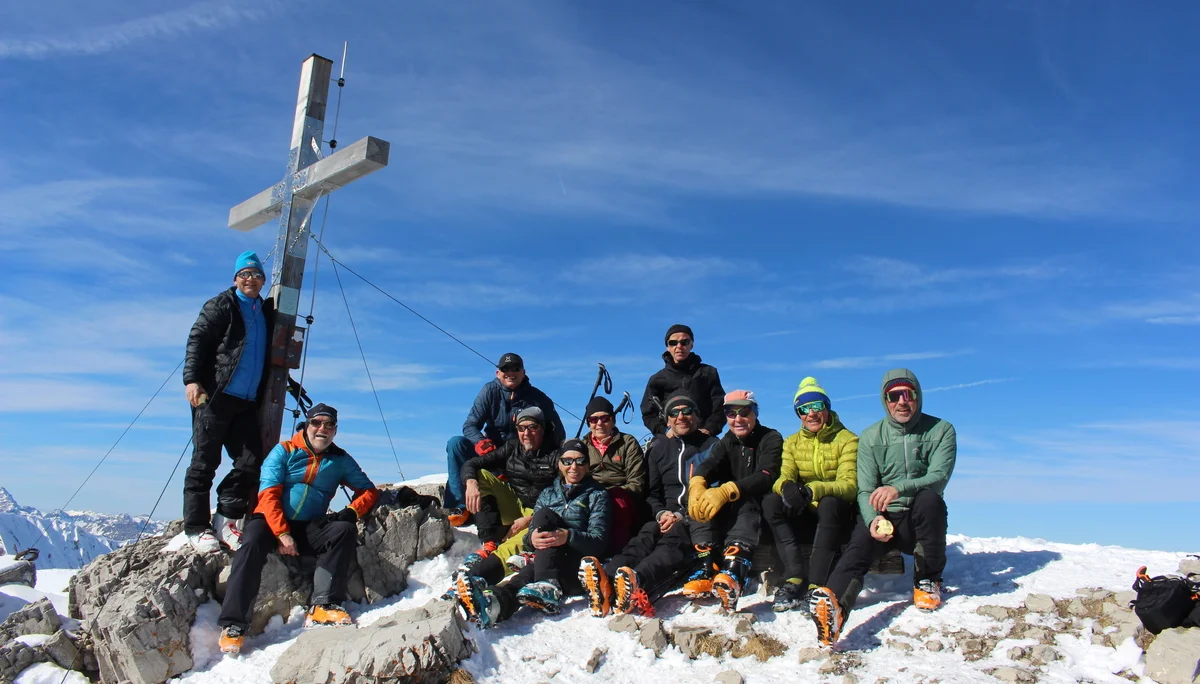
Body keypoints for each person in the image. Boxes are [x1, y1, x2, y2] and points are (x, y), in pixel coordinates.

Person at [809, 369, 956, 649]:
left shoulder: (941, 430)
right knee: (858, 547)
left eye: (908, 394)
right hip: (885, 517)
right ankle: (834, 608)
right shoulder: (871, 436)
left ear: (917, 397)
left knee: (929, 500)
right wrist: (873, 518)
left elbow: (939, 476)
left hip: (919, 519)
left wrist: (898, 488)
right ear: (884, 400)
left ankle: (928, 580)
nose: (901, 402)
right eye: (893, 396)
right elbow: (865, 489)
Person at [217, 404, 379, 654]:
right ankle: (234, 625)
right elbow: (269, 493)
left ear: (335, 430)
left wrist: (352, 511)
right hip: (269, 522)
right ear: (306, 425)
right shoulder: (284, 451)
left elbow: (368, 490)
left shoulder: (340, 460)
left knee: (343, 530)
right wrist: (282, 533)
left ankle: (324, 605)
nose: (322, 429)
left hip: (309, 525)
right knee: (250, 543)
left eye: (329, 425)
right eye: (316, 423)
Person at [579, 392, 718, 617]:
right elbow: (651, 493)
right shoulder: (660, 448)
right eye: (674, 412)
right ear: (667, 419)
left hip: (693, 516)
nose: (681, 417)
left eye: (687, 411)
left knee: (670, 545)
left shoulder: (711, 446)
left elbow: (715, 491)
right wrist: (661, 512)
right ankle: (606, 577)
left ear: (697, 416)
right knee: (644, 538)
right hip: (663, 514)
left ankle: (638, 580)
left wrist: (681, 515)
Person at [452, 439, 610, 628]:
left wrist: (568, 536)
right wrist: (531, 538)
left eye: (580, 461)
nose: (573, 466)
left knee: (542, 528)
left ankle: (546, 585)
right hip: (547, 563)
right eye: (567, 461)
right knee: (524, 577)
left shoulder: (597, 495)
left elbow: (599, 543)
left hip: (575, 568)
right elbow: (528, 539)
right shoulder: (548, 494)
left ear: (587, 465)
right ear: (559, 464)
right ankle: (495, 605)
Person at [182, 250, 275, 553]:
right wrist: (192, 380)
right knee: (204, 462)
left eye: (257, 274)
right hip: (215, 396)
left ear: (263, 280)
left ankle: (226, 518)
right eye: (245, 274)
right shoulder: (222, 305)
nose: (251, 279)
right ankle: (196, 528)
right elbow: (198, 339)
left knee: (251, 461)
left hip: (247, 402)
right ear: (236, 278)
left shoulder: (265, 311)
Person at [762, 377, 858, 613]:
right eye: (803, 409)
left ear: (827, 408)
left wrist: (814, 489)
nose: (811, 414)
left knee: (829, 503)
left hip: (837, 516)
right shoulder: (792, 442)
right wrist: (786, 486)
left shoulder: (848, 440)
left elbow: (850, 484)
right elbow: (784, 474)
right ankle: (794, 577)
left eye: (816, 406)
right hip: (806, 512)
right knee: (771, 502)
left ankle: (816, 583)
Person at [684, 390, 783, 610]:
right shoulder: (728, 440)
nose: (737, 419)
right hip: (731, 508)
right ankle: (707, 565)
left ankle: (735, 570)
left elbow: (766, 475)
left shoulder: (770, 437)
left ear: (755, 413)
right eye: (731, 413)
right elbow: (710, 464)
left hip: (756, 510)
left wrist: (728, 489)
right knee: (701, 503)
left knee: (745, 503)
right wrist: (697, 482)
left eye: (744, 412)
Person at [444, 353, 566, 525]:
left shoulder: (538, 398)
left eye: (515, 369)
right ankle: (460, 506)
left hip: (520, 456)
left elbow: (558, 433)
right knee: (456, 444)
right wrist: (480, 442)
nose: (510, 372)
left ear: (524, 372)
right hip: (492, 451)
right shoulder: (489, 391)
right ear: (497, 373)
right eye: (505, 369)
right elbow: (470, 425)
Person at [459, 406, 560, 564]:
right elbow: (473, 464)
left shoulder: (555, 454)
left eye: (532, 427)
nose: (526, 433)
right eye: (521, 428)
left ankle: (497, 561)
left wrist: (529, 519)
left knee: (531, 532)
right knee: (480, 475)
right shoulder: (513, 447)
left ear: (543, 428)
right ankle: (489, 542)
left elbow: (562, 498)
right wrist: (470, 482)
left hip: (540, 511)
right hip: (515, 503)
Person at [579, 396, 648, 554]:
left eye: (605, 418)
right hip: (591, 495)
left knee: (617, 501)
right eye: (593, 419)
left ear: (613, 420)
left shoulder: (627, 443)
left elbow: (637, 483)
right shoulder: (582, 446)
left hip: (621, 496)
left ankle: (617, 553)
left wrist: (608, 494)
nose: (599, 424)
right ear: (588, 423)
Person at [640, 324, 726, 438]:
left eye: (684, 342)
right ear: (667, 347)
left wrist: (709, 429)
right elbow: (648, 414)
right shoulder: (656, 379)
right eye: (673, 343)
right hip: (670, 440)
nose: (679, 346)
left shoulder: (708, 373)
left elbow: (721, 407)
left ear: (691, 345)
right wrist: (664, 431)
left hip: (704, 439)